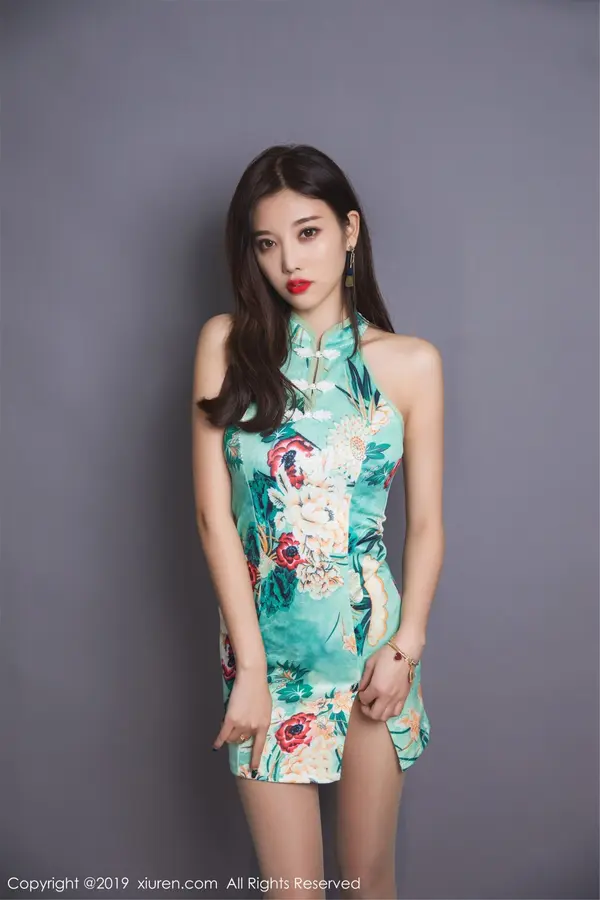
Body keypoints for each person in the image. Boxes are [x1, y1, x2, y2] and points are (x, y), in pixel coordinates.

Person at [192, 144, 445, 900]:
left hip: (373, 651)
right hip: (264, 657)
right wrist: (250, 672)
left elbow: (426, 526)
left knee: (368, 882)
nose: (289, 262)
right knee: (292, 891)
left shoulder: (410, 364)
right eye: (266, 243)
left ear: (349, 231)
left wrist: (406, 647)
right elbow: (213, 518)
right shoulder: (226, 345)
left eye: (308, 233)